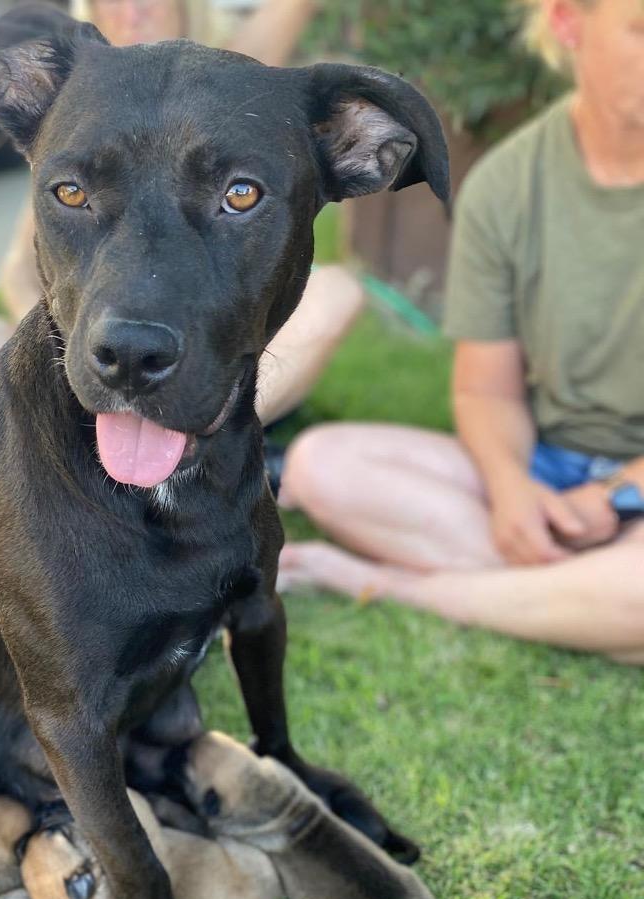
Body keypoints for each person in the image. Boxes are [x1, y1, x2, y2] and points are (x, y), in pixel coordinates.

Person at [276, 0, 644, 664]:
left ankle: (390, 586)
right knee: (323, 465)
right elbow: (487, 391)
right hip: (547, 469)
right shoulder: (509, 184)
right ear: (568, 25)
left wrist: (619, 491)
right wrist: (511, 492)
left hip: (631, 489)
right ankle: (591, 606)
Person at [0, 0, 367, 435]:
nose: (132, 14)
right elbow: (17, 267)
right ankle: (95, 438)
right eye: (111, 3)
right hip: (95, 334)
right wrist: (69, 333)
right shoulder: (75, 118)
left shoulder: (238, 82)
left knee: (337, 292)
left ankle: (223, 436)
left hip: (208, 342)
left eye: (148, 1)